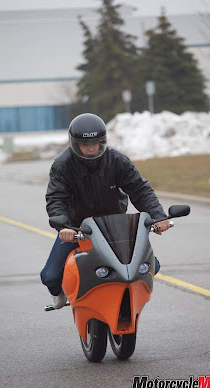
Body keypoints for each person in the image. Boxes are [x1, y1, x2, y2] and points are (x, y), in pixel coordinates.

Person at [40, 113, 170, 309]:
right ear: (75, 144)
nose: (92, 147)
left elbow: (140, 190)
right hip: (77, 229)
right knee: (50, 276)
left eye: (96, 142)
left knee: (152, 266)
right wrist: (63, 226)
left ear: (103, 140)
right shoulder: (63, 165)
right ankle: (61, 294)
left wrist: (159, 216)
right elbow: (56, 198)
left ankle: (123, 299)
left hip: (114, 226)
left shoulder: (117, 160)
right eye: (86, 144)